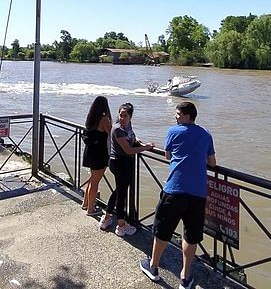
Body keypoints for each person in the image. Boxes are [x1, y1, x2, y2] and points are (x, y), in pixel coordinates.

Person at [140, 101, 216, 289]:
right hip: (197, 193)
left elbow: (167, 155)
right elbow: (212, 163)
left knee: (163, 230)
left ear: (188, 116)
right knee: (191, 235)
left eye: (178, 114)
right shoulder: (206, 134)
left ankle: (153, 266)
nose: (175, 117)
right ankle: (185, 276)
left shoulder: (173, 131)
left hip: (174, 189)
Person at [98, 102, 154, 236]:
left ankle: (106, 218)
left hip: (123, 163)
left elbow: (130, 137)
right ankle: (121, 227)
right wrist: (146, 147)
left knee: (118, 191)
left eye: (125, 115)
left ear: (130, 116)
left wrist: (137, 140)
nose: (122, 118)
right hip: (119, 163)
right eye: (121, 115)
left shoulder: (127, 126)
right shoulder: (117, 128)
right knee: (121, 194)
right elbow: (128, 150)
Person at [80, 96, 112, 216]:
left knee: (92, 179)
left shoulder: (91, 118)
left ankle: (86, 203)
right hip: (99, 153)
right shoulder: (104, 119)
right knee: (95, 182)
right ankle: (91, 209)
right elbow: (112, 134)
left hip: (90, 151)